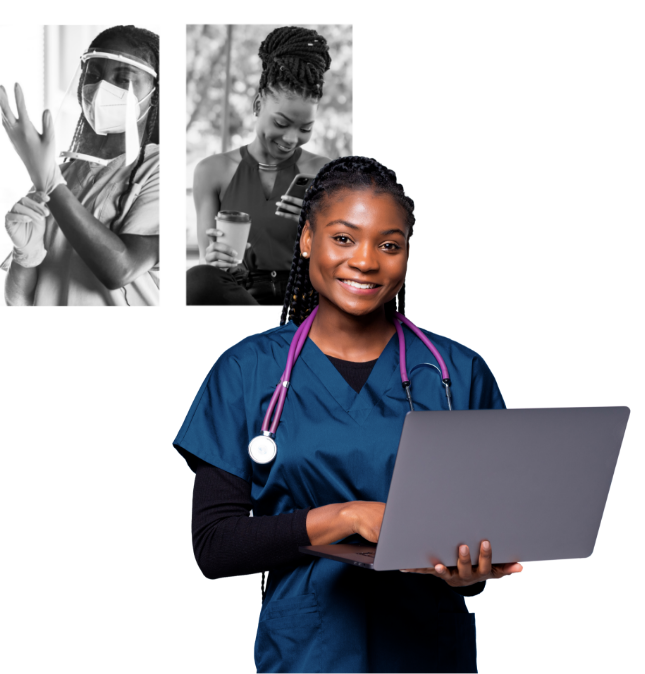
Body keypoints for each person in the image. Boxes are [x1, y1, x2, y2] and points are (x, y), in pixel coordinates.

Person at [173, 156, 523, 673]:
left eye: (389, 245)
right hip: (307, 655)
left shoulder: (456, 373)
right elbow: (217, 547)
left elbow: (498, 531)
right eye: (343, 238)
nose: (366, 261)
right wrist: (347, 517)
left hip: (430, 654)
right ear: (307, 240)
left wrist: (474, 571)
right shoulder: (247, 370)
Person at [0, 25, 160, 306]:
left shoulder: (158, 170)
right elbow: (18, 303)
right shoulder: (62, 174)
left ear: (155, 94)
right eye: (93, 75)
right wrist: (25, 256)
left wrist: (48, 180)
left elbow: (121, 269)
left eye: (123, 80)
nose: (101, 89)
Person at [187, 26, 333, 305]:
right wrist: (218, 258)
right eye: (280, 123)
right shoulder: (212, 171)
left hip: (305, 296)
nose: (291, 139)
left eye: (306, 128)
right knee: (198, 279)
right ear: (257, 106)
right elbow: (211, 264)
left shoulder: (324, 171)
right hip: (242, 294)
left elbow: (341, 256)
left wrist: (318, 224)